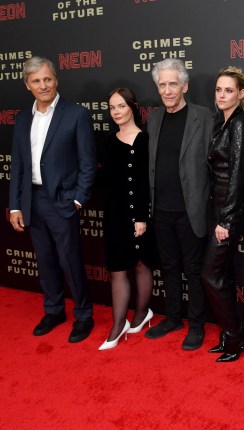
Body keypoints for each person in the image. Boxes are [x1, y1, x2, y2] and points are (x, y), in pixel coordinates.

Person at [9, 56, 97, 343]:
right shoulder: (23, 118)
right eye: (36, 81)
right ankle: (54, 310)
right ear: (27, 85)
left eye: (47, 79)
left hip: (62, 201)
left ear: (56, 80)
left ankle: (84, 315)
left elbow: (88, 163)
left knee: (70, 261)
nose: (43, 85)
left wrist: (78, 200)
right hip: (32, 201)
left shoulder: (76, 115)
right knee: (45, 261)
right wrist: (15, 205)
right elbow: (18, 166)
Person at [144, 58, 213, 351]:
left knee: (194, 270)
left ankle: (196, 325)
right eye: (163, 84)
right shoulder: (154, 118)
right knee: (170, 268)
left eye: (174, 84)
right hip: (160, 210)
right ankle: (173, 317)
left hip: (191, 210)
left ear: (184, 85)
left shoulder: (204, 117)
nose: (168, 90)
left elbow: (217, 161)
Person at [201, 66, 244, 362]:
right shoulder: (220, 122)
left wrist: (226, 220)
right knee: (221, 274)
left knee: (210, 274)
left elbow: (236, 176)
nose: (222, 95)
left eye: (229, 90)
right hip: (216, 207)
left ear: (241, 94)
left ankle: (237, 334)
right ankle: (230, 333)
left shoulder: (240, 125)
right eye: (219, 90)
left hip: (228, 211)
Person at [98, 88, 158, 351]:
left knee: (141, 266)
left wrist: (141, 217)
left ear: (132, 107)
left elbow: (148, 181)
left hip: (141, 215)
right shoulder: (109, 141)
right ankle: (117, 324)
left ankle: (142, 313)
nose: (117, 112)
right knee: (118, 270)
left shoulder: (147, 139)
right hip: (115, 215)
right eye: (112, 108)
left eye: (121, 106)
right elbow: (108, 182)